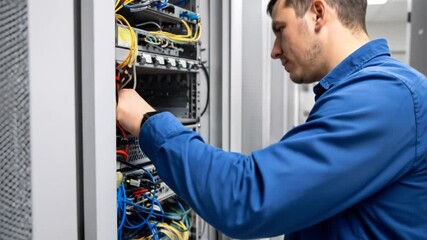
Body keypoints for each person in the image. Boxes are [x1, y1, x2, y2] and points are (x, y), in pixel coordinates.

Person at [117, 0, 427, 238]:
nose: (274, 51)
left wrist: (148, 122)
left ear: (318, 12)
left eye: (280, 29)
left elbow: (245, 198)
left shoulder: (385, 96)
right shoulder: (372, 91)